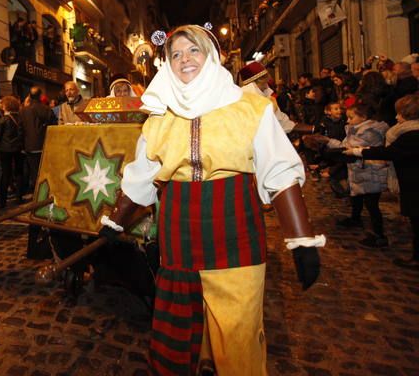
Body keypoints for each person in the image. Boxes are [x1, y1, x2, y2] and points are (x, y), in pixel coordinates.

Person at [98, 25, 324, 375]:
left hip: (236, 234)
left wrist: (302, 240)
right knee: (178, 334)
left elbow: (278, 171)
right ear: (166, 64)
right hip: (178, 242)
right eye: (175, 54)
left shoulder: (251, 108)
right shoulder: (159, 118)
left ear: (212, 55)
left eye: (194, 50)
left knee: (238, 335)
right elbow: (142, 174)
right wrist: (116, 220)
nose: (184, 59)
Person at [346, 94, 419, 268]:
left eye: (400, 113)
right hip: (412, 182)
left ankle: (417, 259)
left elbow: (390, 153)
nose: (396, 117)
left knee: (417, 223)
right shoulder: (408, 132)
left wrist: (359, 152)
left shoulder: (412, 134)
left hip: (414, 184)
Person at [325, 104, 389, 247]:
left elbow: (351, 148)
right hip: (360, 170)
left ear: (364, 117)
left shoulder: (370, 131)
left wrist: (329, 143)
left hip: (371, 171)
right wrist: (328, 142)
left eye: (351, 117)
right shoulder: (355, 129)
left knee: (372, 205)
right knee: (357, 197)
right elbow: (344, 145)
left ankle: (379, 235)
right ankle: (355, 218)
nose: (348, 120)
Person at [0, 95, 24, 208]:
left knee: (5, 174)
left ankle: (3, 201)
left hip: (5, 149)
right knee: (19, 172)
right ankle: (19, 197)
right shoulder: (20, 118)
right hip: (18, 148)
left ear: (6, 106)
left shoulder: (4, 119)